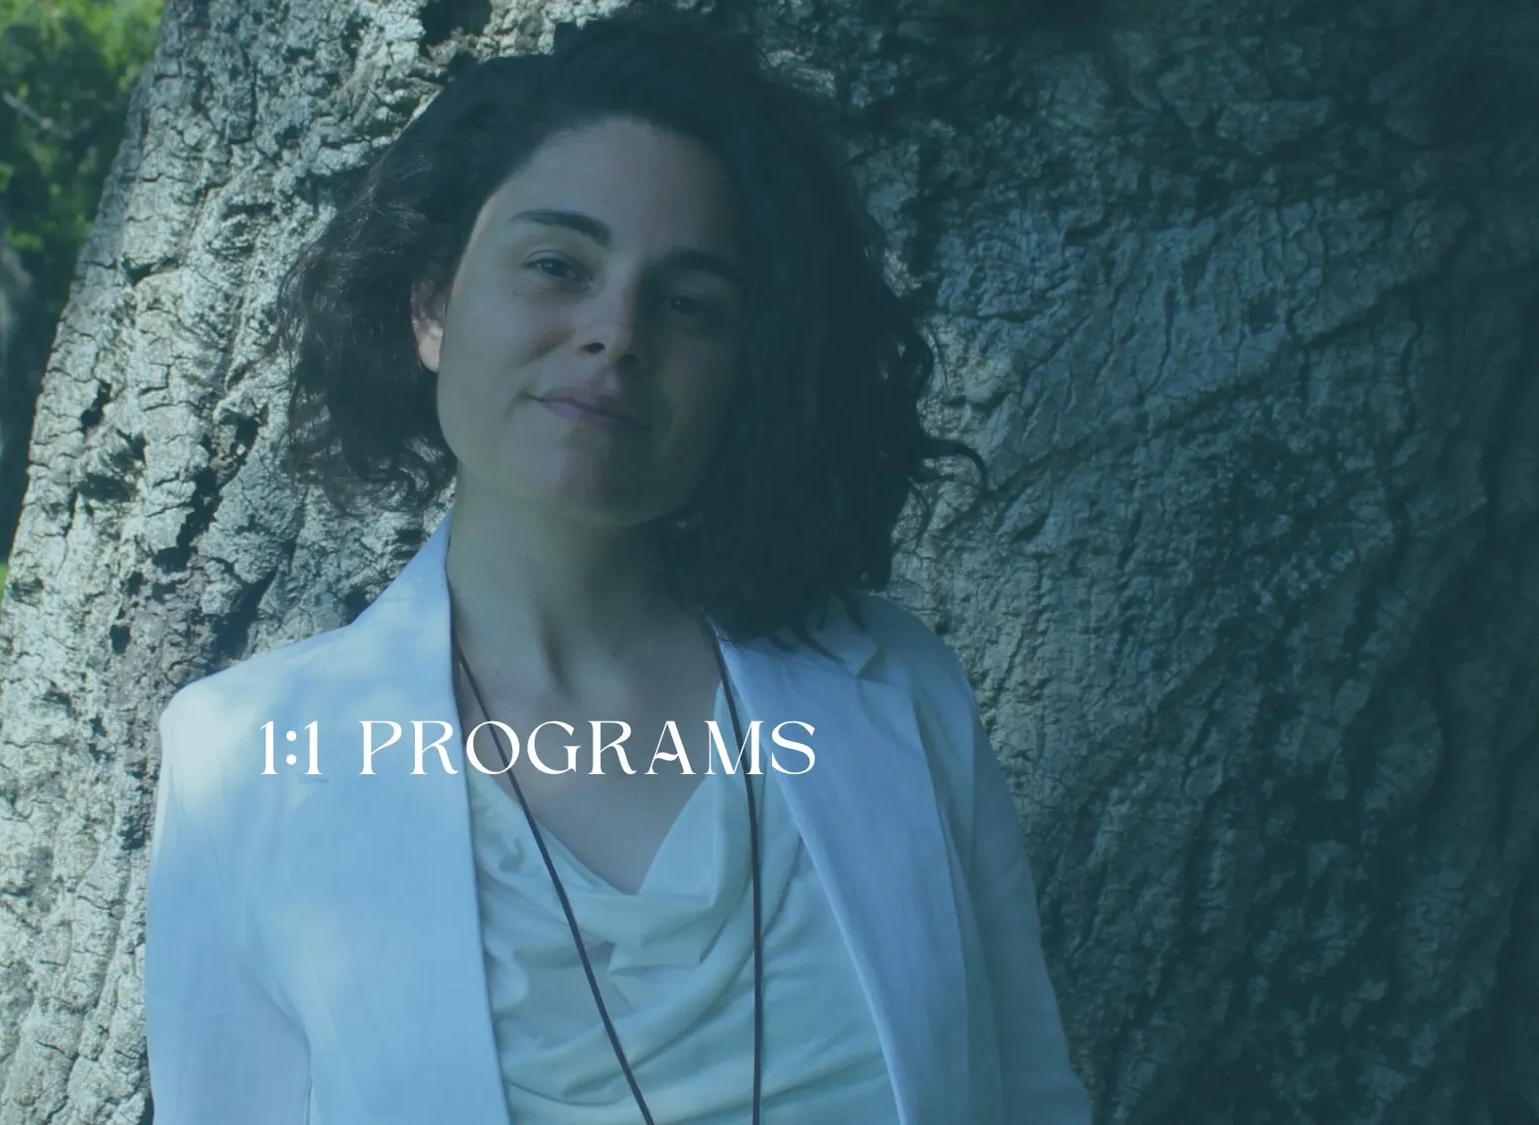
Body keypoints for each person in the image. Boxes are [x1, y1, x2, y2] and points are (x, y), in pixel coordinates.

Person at [146, 9, 1093, 1124]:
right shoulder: (238, 764)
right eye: (557, 266)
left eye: (688, 302)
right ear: (431, 307)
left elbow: (1031, 1099)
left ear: (750, 370)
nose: (616, 331)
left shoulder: (902, 690)